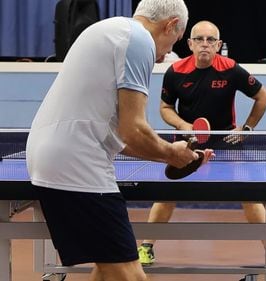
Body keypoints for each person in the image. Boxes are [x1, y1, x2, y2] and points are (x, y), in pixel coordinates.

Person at [26, 1, 214, 281]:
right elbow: (134, 130)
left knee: (107, 269)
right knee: (131, 276)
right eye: (171, 43)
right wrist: (173, 155)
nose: (163, 56)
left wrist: (171, 152)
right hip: (78, 163)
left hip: (52, 155)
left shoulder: (109, 29)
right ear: (171, 25)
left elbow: (122, 137)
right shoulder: (139, 41)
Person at [138, 20, 266, 267]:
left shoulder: (231, 69)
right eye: (199, 39)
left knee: (250, 196)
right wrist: (182, 126)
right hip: (186, 143)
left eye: (211, 40)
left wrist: (247, 128)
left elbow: (263, 96)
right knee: (167, 194)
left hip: (226, 140)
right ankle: (146, 247)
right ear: (189, 43)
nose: (205, 44)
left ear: (219, 45)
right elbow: (166, 108)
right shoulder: (175, 72)